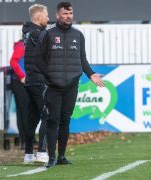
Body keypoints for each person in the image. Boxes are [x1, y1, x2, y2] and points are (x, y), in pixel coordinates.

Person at [35, 2, 105, 168]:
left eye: (70, 13)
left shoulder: (78, 35)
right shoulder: (48, 34)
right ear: (58, 15)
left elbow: (82, 59)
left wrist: (91, 74)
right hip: (53, 87)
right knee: (53, 121)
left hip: (71, 86)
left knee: (65, 121)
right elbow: (37, 59)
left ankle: (61, 157)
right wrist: (48, 76)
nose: (68, 16)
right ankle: (51, 158)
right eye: (65, 13)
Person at [22, 4, 49, 164]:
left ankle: (28, 154)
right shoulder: (37, 33)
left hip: (31, 80)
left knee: (32, 118)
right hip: (39, 80)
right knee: (47, 114)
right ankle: (42, 152)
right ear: (39, 17)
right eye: (46, 15)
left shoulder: (28, 32)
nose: (48, 18)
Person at [9, 39, 28, 150]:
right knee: (23, 112)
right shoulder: (21, 46)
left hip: (25, 82)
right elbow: (13, 61)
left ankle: (27, 139)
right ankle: (25, 141)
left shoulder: (25, 45)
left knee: (26, 112)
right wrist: (22, 76)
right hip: (20, 83)